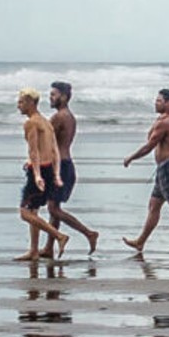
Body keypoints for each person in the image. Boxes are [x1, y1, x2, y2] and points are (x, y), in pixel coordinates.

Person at [122, 87, 169, 256]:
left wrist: (131, 158)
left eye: (159, 101)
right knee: (154, 206)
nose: (155, 103)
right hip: (165, 168)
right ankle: (140, 242)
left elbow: (150, 145)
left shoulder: (166, 122)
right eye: (156, 100)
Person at [44, 80, 100, 253]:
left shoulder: (59, 117)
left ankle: (88, 233)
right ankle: (48, 247)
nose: (50, 98)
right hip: (66, 165)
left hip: (60, 166)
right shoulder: (69, 116)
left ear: (64, 96)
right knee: (55, 208)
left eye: (54, 95)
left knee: (53, 208)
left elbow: (44, 140)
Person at [15, 90, 60, 260]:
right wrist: (55, 174)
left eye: (21, 102)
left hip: (39, 170)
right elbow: (54, 151)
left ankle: (59, 236)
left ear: (30, 102)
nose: (18, 106)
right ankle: (33, 250)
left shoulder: (32, 123)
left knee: (25, 212)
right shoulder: (46, 122)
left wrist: (36, 175)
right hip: (48, 168)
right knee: (33, 212)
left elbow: (33, 151)